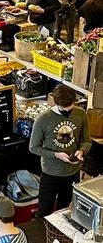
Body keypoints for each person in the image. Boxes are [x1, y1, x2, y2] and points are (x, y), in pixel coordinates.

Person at [29, 84, 91, 218]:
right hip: (51, 173)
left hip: (73, 172)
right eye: (64, 109)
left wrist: (81, 151)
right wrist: (55, 155)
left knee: (65, 212)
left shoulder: (80, 114)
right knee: (43, 212)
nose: (69, 112)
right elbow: (33, 147)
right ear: (57, 104)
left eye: (71, 107)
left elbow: (87, 141)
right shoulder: (43, 119)